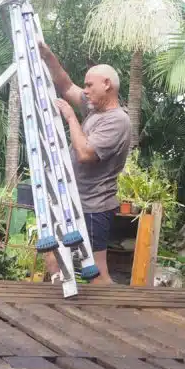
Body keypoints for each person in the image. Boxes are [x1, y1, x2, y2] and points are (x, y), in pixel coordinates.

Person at [37, 42, 132, 285]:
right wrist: (48, 55)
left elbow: (85, 154)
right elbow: (65, 84)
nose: (86, 90)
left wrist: (70, 117)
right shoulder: (93, 109)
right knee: (51, 250)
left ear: (107, 85)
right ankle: (61, 292)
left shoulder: (117, 121)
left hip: (93, 206)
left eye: (90, 85)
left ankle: (112, 314)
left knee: (97, 274)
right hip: (71, 200)